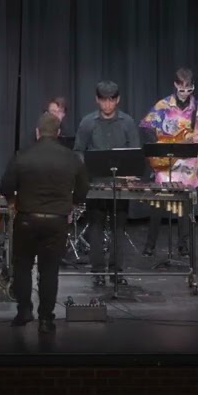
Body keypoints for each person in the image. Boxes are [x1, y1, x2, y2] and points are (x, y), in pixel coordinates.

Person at [0, 111, 90, 334]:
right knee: (49, 271)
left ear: (37, 132)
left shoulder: (22, 155)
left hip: (27, 219)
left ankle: (23, 312)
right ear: (58, 133)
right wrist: (72, 203)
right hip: (57, 221)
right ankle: (46, 319)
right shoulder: (71, 158)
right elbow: (83, 190)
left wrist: (13, 203)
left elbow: (5, 187)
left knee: (22, 267)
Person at [74, 80, 142, 288]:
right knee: (95, 227)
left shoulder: (128, 122)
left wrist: (130, 172)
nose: (107, 105)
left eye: (111, 100)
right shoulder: (87, 122)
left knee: (118, 228)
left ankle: (116, 270)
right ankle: (97, 272)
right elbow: (78, 150)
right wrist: (86, 170)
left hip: (120, 185)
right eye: (104, 100)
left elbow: (135, 151)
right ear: (97, 100)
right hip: (96, 184)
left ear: (118, 100)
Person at [138, 67, 198, 257]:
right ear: (176, 85)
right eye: (182, 89)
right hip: (167, 159)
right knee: (158, 204)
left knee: (185, 206)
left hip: (189, 162)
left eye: (189, 89)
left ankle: (183, 245)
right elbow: (145, 126)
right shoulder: (164, 105)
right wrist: (162, 141)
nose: (186, 93)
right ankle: (150, 244)